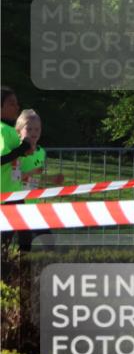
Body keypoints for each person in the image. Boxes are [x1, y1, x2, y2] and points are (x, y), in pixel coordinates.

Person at [13, 109, 63, 250]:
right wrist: (32, 171)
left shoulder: (41, 152)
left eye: (37, 129)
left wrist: (52, 179)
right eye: (29, 129)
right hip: (14, 203)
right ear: (19, 131)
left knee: (48, 240)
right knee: (21, 243)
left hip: (32, 203)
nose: (34, 132)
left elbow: (36, 178)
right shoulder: (15, 151)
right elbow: (13, 179)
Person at [1, 86, 34, 194]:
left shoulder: (11, 129)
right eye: (12, 104)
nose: (17, 107)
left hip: (13, 191)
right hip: (3, 195)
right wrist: (23, 148)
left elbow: (12, 155)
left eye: (17, 103)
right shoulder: (1, 129)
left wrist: (24, 152)